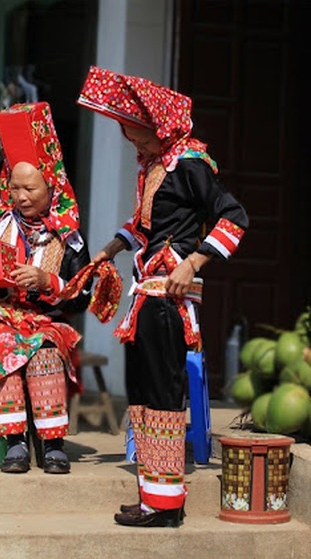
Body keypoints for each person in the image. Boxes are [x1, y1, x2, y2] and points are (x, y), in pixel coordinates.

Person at [78, 66, 248, 527]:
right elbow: (145, 228)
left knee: (165, 398)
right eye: (131, 138)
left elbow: (233, 217)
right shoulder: (156, 167)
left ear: (163, 127)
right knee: (145, 397)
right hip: (145, 298)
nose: (138, 146)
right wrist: (111, 249)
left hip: (169, 301)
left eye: (142, 137)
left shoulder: (190, 163)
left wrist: (193, 262)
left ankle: (167, 504)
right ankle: (153, 496)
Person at [0, 101, 92, 475]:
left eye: (30, 188)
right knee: (1, 346)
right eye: (14, 187)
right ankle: (14, 442)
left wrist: (49, 282)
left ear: (51, 186)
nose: (20, 196)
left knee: (45, 350)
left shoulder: (68, 236)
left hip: (44, 321)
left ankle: (52, 445)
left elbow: (84, 294)